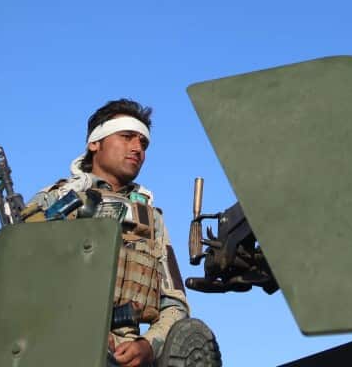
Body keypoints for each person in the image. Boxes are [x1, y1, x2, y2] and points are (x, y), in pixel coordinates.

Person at [24, 98, 219, 367]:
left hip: (122, 355)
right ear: (95, 143)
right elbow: (17, 278)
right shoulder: (56, 200)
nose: (137, 148)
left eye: (144, 143)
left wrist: (148, 346)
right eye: (127, 137)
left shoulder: (150, 218)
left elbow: (175, 304)